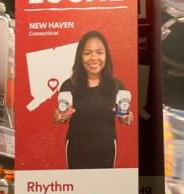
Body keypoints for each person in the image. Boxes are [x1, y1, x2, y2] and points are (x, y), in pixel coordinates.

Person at [53, 30, 132, 169]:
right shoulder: (69, 85)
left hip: (106, 149)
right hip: (76, 150)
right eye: (88, 53)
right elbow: (62, 117)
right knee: (77, 188)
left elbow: (123, 117)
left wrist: (127, 118)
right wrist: (59, 117)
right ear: (80, 56)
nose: (94, 58)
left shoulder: (117, 86)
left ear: (106, 55)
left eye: (99, 52)